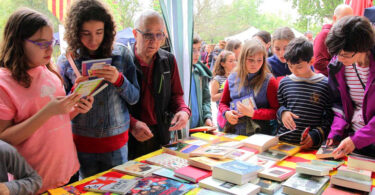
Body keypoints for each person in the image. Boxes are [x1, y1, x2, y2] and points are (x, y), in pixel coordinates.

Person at [0, 8, 93, 192]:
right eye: (41, 43)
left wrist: (76, 106)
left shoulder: (48, 70)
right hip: (33, 181)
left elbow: (58, 117)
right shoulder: (4, 82)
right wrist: (48, 111)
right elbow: (4, 139)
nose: (50, 49)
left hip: (68, 170)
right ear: (18, 42)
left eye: (52, 42)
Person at [58, 0, 140, 178]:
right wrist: (75, 93)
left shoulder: (122, 54)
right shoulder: (66, 61)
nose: (93, 40)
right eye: (85, 33)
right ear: (75, 32)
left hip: (116, 142)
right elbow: (59, 109)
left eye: (99, 32)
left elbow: (135, 98)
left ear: (108, 31)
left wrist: (119, 80)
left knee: (118, 186)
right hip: (81, 142)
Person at [128, 10, 190, 159]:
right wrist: (132, 124)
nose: (154, 40)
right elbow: (114, 105)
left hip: (161, 134)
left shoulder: (168, 60)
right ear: (135, 34)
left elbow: (176, 95)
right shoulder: (124, 62)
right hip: (130, 137)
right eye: (148, 34)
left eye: (159, 35)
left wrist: (183, 111)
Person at [325, 16, 375, 158]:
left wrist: (358, 139)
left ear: (363, 48)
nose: (339, 59)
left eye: (345, 55)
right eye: (336, 54)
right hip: (352, 140)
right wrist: (336, 131)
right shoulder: (337, 67)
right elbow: (339, 103)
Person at [277, 37, 332, 149]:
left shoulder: (325, 84)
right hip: (283, 144)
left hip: (310, 146)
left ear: (311, 61)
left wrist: (315, 136)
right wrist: (283, 113)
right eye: (290, 66)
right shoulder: (284, 83)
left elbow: (330, 118)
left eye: (299, 67)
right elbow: (278, 107)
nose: (294, 71)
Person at [219, 39, 279, 136]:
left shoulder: (269, 81)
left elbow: (277, 111)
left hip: (260, 135)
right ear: (243, 58)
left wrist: (254, 113)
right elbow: (222, 103)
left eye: (259, 60)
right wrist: (226, 113)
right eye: (250, 60)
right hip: (234, 133)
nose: (255, 64)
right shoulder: (232, 77)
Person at [313, 4, 353, 76]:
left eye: (350, 20)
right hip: (327, 81)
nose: (347, 23)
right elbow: (318, 63)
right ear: (335, 18)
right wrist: (341, 68)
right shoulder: (324, 34)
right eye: (344, 19)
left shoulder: (345, 34)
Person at [190, 34, 213, 128]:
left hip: (197, 129)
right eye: (193, 50)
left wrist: (207, 117)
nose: (197, 54)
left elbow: (206, 98)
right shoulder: (177, 73)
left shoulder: (200, 73)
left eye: (199, 49)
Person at [211, 50, 236, 131]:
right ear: (223, 64)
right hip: (223, 116)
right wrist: (226, 92)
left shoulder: (236, 76)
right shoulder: (218, 79)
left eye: (235, 60)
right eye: (230, 61)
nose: (234, 63)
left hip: (235, 114)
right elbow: (213, 97)